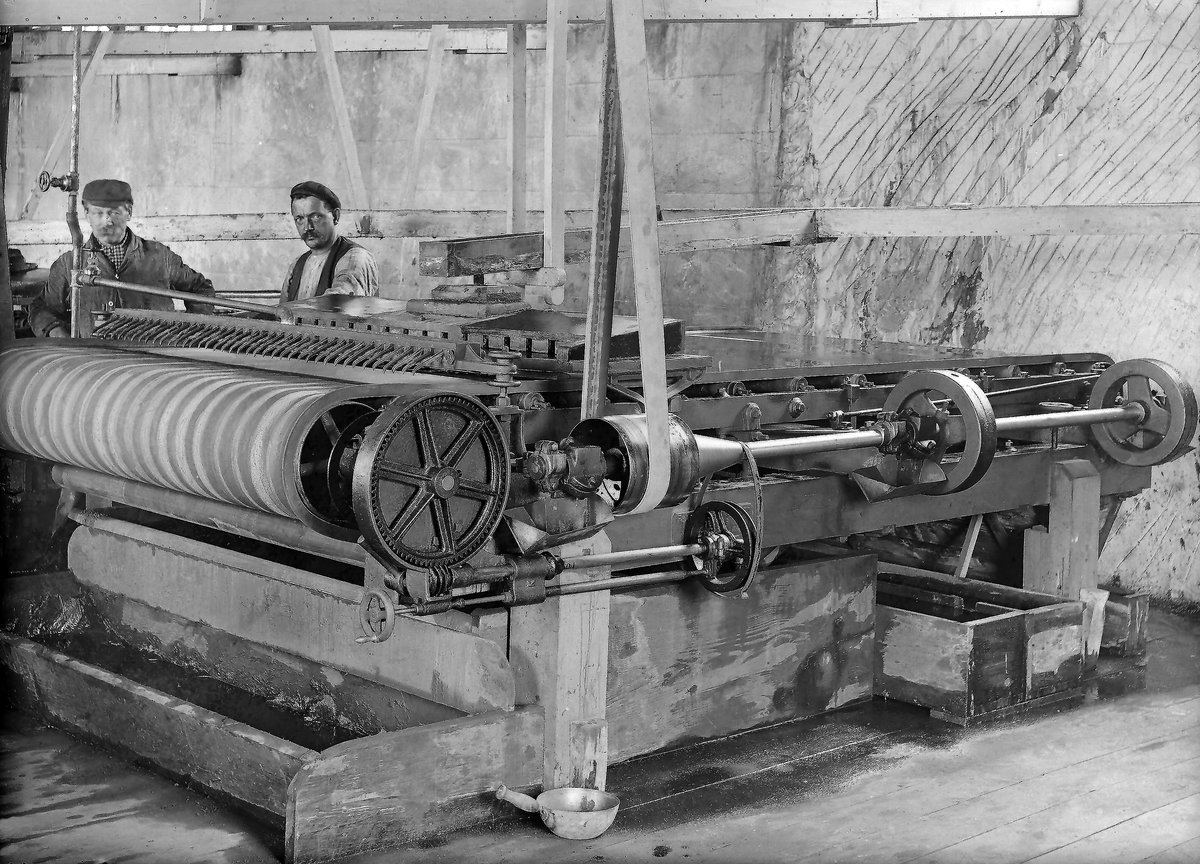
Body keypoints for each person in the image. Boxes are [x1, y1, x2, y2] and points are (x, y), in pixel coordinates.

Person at [28, 178, 216, 338]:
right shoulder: (70, 264)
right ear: (86, 214)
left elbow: (200, 289)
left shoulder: (159, 256)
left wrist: (189, 333)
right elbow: (42, 307)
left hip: (155, 361)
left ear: (129, 212)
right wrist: (56, 332)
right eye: (98, 213)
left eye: (114, 212)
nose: (106, 221)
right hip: (94, 365)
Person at [280, 180, 378, 305]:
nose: (307, 227)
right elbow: (281, 313)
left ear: (335, 216)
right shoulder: (297, 264)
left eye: (316, 217)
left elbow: (338, 303)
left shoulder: (356, 256)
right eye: (299, 219)